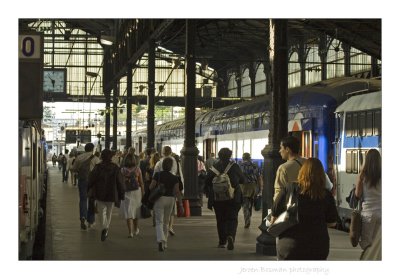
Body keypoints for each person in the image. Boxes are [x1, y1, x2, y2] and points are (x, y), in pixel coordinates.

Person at [271, 158, 338, 260]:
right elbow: (332, 222)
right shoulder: (326, 195)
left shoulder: (289, 188)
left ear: (302, 171)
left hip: (290, 245)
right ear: (322, 175)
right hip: (317, 247)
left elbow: (274, 215)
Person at [204, 147, 245, 250]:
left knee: (220, 219)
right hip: (233, 197)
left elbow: (207, 181)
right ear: (230, 155)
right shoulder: (235, 166)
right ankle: (231, 235)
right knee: (232, 218)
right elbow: (243, 179)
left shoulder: (214, 167)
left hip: (218, 199)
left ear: (219, 155)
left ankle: (222, 242)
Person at [273, 136, 333, 201]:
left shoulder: (283, 168)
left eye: (281, 148)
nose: (279, 151)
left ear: (287, 149)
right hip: (315, 203)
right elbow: (328, 186)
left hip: (295, 207)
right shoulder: (311, 163)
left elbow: (278, 194)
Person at [88, 149, 125, 241]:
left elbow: (91, 179)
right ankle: (106, 229)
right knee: (109, 212)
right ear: (111, 157)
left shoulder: (98, 167)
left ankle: (104, 228)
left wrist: (88, 188)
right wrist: (122, 193)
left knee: (102, 213)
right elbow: (120, 182)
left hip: (100, 193)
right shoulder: (115, 168)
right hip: (112, 193)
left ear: (102, 156)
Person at [149, 157, 183, 251]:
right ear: (171, 166)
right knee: (166, 221)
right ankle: (165, 243)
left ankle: (160, 239)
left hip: (160, 199)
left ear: (162, 165)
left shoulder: (157, 174)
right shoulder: (175, 178)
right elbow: (177, 191)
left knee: (159, 221)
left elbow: (151, 186)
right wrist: (180, 205)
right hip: (171, 199)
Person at [355, 149, 381, 260]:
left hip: (368, 214)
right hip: (381, 212)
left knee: (367, 244)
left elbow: (357, 194)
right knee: (378, 245)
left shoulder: (363, 176)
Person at [70, 143, 101, 230]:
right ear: (93, 149)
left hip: (82, 180)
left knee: (83, 199)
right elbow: (99, 171)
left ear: (85, 149)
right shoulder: (96, 159)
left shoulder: (79, 158)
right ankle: (91, 221)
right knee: (92, 200)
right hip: (93, 182)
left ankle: (83, 217)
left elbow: (74, 169)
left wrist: (71, 168)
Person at [120, 156, 144, 238]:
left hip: (126, 192)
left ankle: (130, 232)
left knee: (128, 212)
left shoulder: (123, 170)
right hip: (136, 192)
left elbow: (121, 183)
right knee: (136, 212)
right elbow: (141, 182)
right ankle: (136, 229)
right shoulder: (137, 169)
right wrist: (143, 192)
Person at [238, 152, 262, 228]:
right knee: (250, 202)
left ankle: (247, 220)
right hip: (253, 186)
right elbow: (258, 177)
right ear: (250, 158)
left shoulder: (240, 166)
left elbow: (237, 177)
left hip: (243, 186)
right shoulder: (255, 165)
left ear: (243, 158)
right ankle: (249, 214)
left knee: (245, 204)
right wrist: (260, 187)